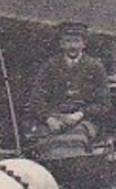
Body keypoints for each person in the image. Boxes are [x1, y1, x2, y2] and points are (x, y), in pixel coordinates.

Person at [26, 21, 110, 150]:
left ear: (84, 44)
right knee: (40, 141)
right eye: (68, 41)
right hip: (55, 119)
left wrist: (81, 114)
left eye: (76, 41)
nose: (72, 46)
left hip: (85, 120)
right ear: (61, 44)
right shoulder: (50, 66)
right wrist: (49, 118)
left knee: (76, 139)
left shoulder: (95, 67)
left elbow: (104, 103)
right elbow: (36, 100)